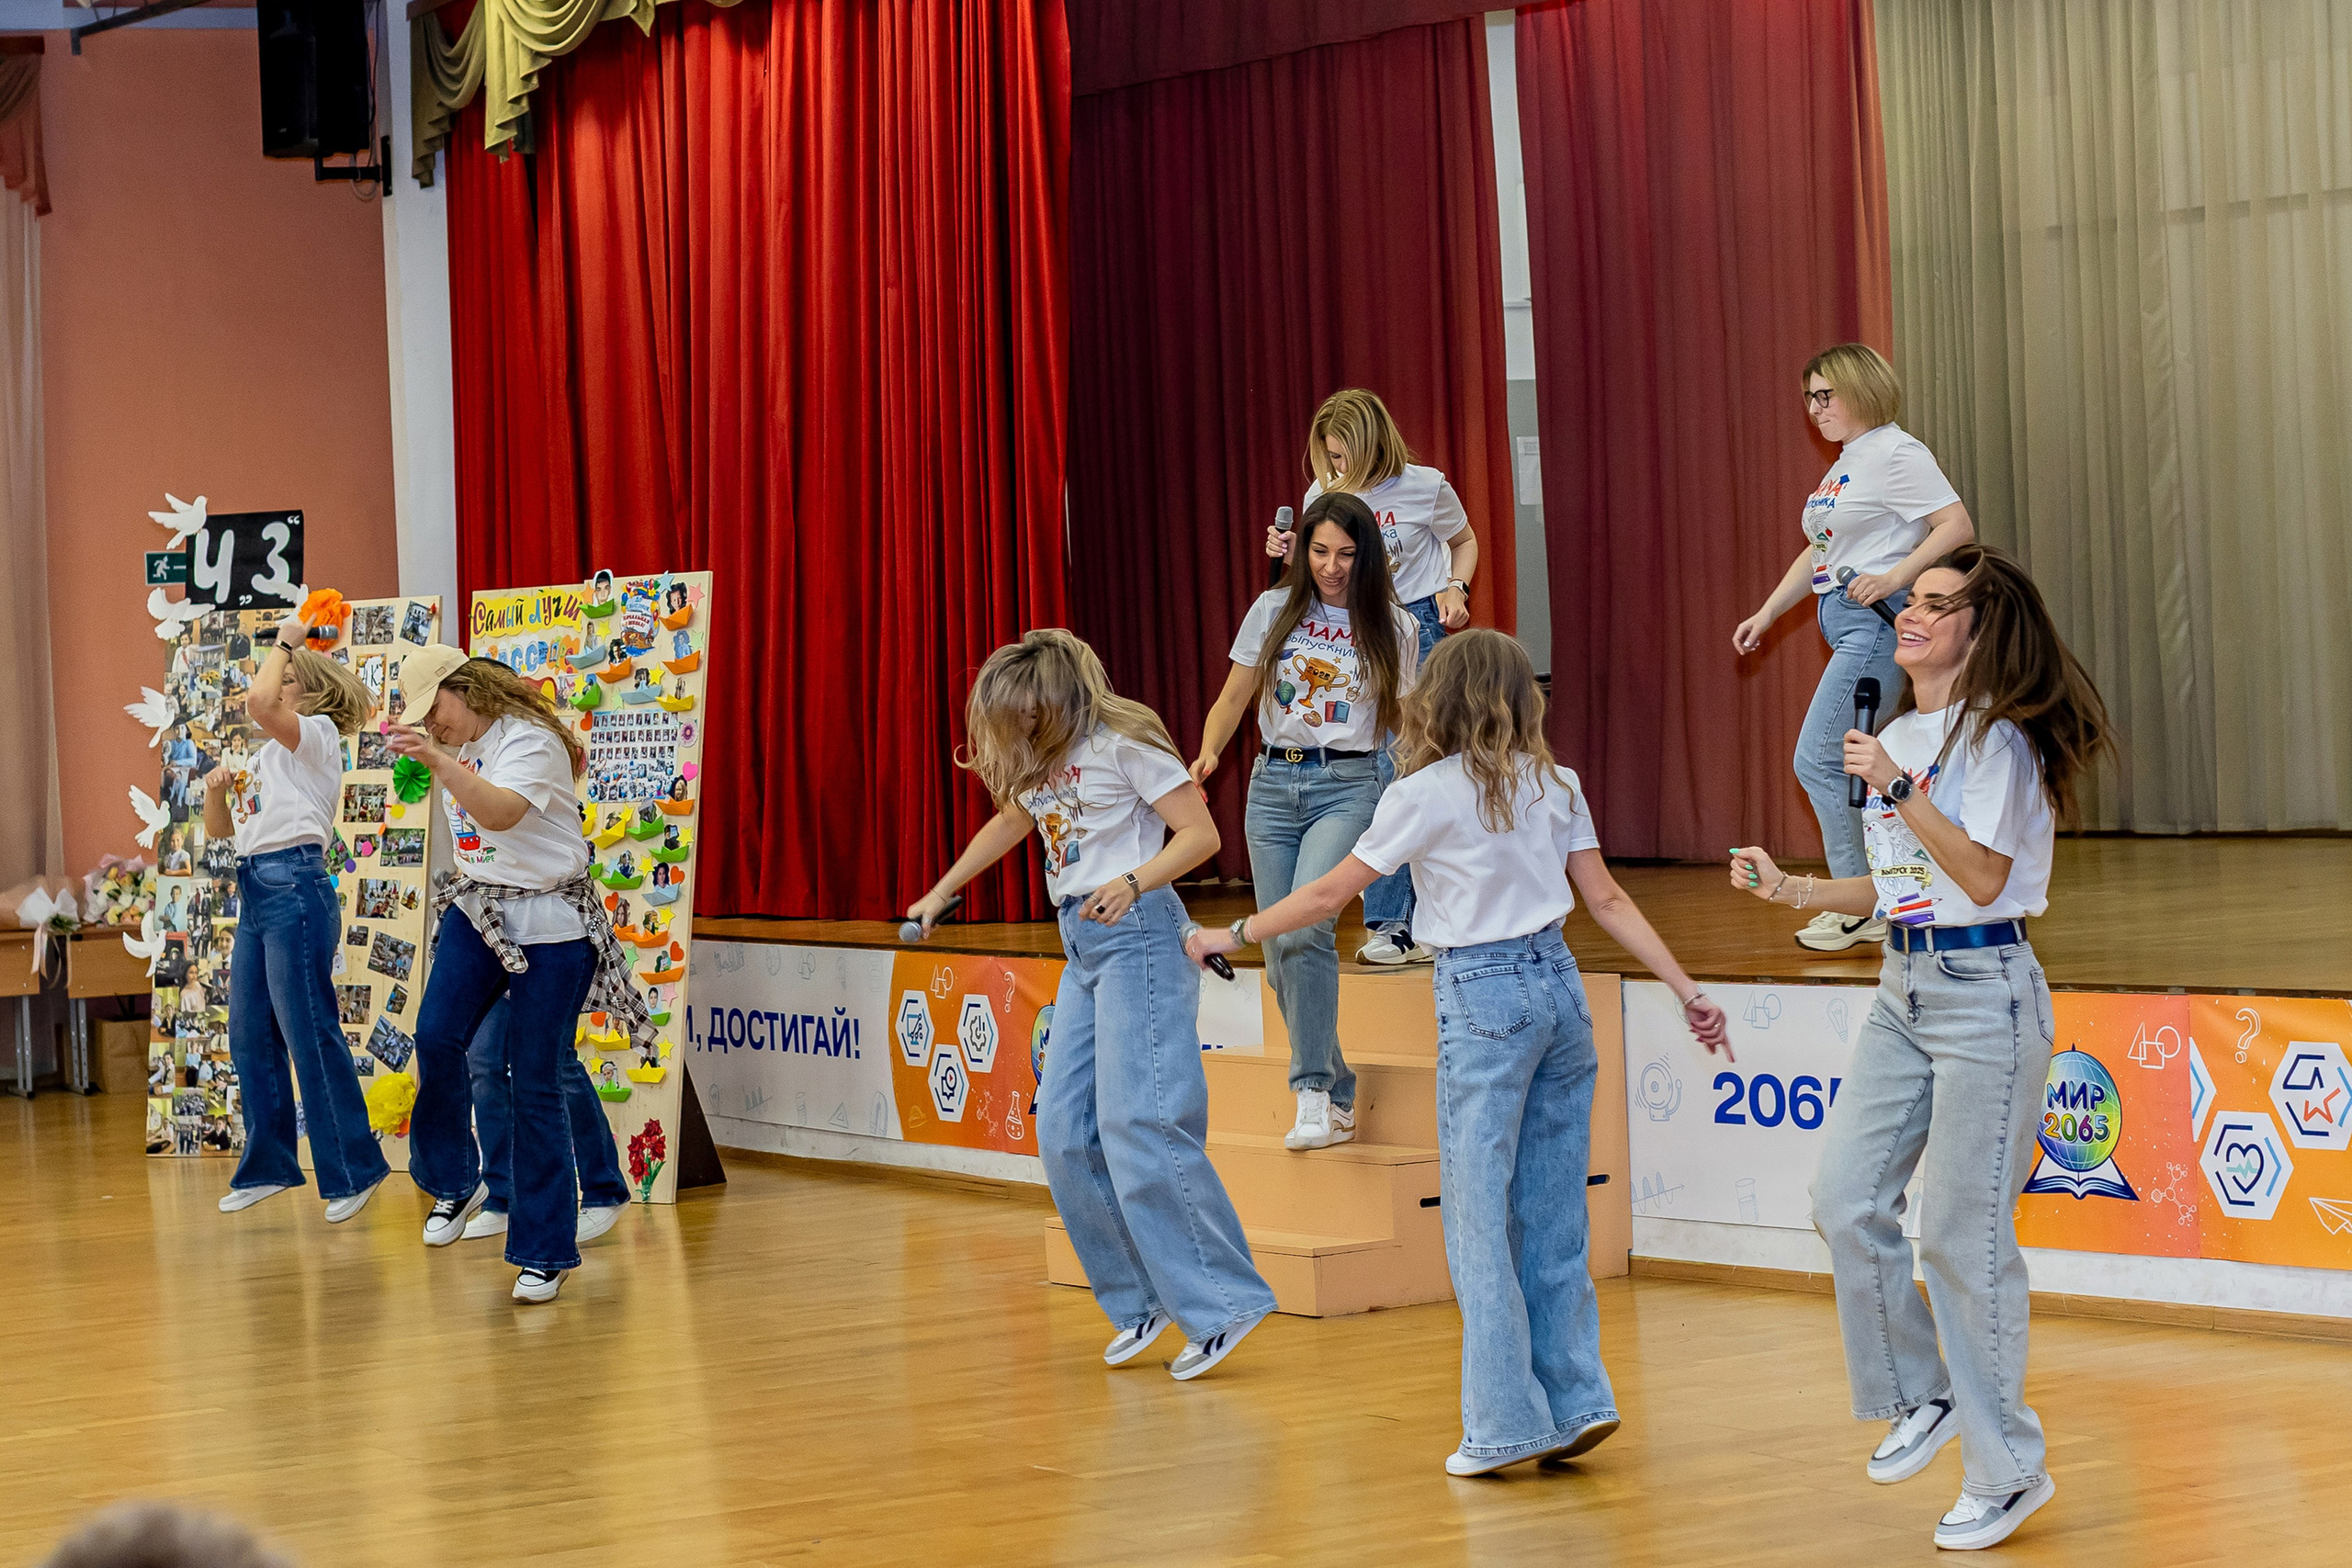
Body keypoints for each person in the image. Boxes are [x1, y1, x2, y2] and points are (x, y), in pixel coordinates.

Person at [1191, 630, 1729, 1476]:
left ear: (1434, 696)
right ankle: (1579, 1397)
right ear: (1521, 698)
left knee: (1479, 1217)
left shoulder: (1421, 792)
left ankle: (1504, 1425)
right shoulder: (1558, 783)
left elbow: (1332, 893)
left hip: (1481, 996)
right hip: (1559, 987)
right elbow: (1609, 899)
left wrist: (1234, 930)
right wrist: (1687, 987)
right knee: (1552, 1212)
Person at [1729, 543, 2109, 1552]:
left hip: (1987, 991)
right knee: (1843, 1199)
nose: (1910, 615)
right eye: (1913, 600)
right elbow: (1903, 886)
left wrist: (1897, 786)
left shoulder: (1998, 741)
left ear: (1978, 634)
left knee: (1961, 1239)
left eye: (1937, 606)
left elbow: (1981, 877)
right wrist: (1797, 890)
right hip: (1903, 982)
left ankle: (2007, 1472)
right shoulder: (1900, 731)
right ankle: (1920, 1395)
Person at [906, 630, 1276, 1380]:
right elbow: (1013, 820)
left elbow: (1199, 835)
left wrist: (1136, 881)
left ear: (1056, 699)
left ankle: (1224, 1300)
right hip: (1082, 941)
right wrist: (945, 890)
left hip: (1138, 931)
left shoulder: (1123, 742)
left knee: (1139, 1119)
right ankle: (1141, 1297)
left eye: (1024, 714)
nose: (1015, 731)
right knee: (1062, 1131)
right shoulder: (1042, 756)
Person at [389, 648, 654, 1303]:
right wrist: (435, 762)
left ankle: (544, 1251)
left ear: (465, 688)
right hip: (481, 909)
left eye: (437, 711)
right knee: (438, 1035)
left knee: (536, 1075)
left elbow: (501, 812)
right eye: (424, 720)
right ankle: (457, 1180)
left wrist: (441, 764)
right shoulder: (458, 744)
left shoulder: (529, 742)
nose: (434, 727)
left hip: (555, 926)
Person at [1193, 491, 1419, 1151]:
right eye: (1320, 551)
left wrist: (1426, 787)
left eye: (1346, 553)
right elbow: (1235, 695)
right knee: (1279, 951)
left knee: (1306, 928)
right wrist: (1207, 752)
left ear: (1366, 554)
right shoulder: (1273, 609)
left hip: (1348, 783)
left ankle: (1312, 1091)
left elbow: (1409, 722)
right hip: (1270, 784)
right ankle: (1341, 1087)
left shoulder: (1393, 626)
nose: (1331, 565)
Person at [1732, 344, 1975, 953]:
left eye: (1826, 395)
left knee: (1818, 757)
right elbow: (1822, 551)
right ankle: (1876, 895)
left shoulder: (1896, 452)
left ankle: (1858, 902)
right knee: (1847, 766)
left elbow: (1955, 524)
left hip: (1872, 624)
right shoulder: (1846, 465)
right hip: (1842, 620)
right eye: (1808, 397)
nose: (1814, 408)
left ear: (1862, 389)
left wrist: (1896, 577)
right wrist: (1767, 611)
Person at [1265, 389, 1479, 967]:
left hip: (1419, 627)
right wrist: (1287, 554)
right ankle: (1390, 924)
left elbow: (1463, 542)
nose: (1338, 468)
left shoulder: (1425, 484)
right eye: (1330, 456)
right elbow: (1320, 569)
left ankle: (1443, 915)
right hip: (1358, 636)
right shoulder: (1323, 492)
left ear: (1375, 441)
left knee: (1426, 771)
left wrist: (1455, 586)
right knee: (1382, 773)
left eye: (1346, 455)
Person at [207, 615, 389, 1223]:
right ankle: (268, 1164)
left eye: (281, 677)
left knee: (309, 1029)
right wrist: (213, 794)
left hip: (294, 882)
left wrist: (287, 638)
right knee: (249, 1032)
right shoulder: (266, 757)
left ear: (302, 690)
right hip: (257, 887)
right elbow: (222, 839)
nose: (269, 685)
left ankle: (354, 1168)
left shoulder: (314, 736)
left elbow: (260, 702)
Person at [458, 998, 632, 1244]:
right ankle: (501, 1197)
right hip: (494, 965)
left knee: (557, 1060)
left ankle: (605, 1189)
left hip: (546, 961)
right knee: (483, 1063)